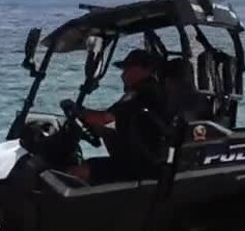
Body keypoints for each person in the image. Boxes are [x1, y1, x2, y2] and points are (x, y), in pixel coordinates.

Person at [66, 48, 172, 184]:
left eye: (127, 69)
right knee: (87, 165)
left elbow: (106, 119)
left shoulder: (143, 92)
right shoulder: (149, 91)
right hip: (140, 161)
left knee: (75, 173)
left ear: (144, 69)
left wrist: (79, 112)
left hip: (140, 166)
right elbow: (112, 121)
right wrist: (95, 126)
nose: (123, 75)